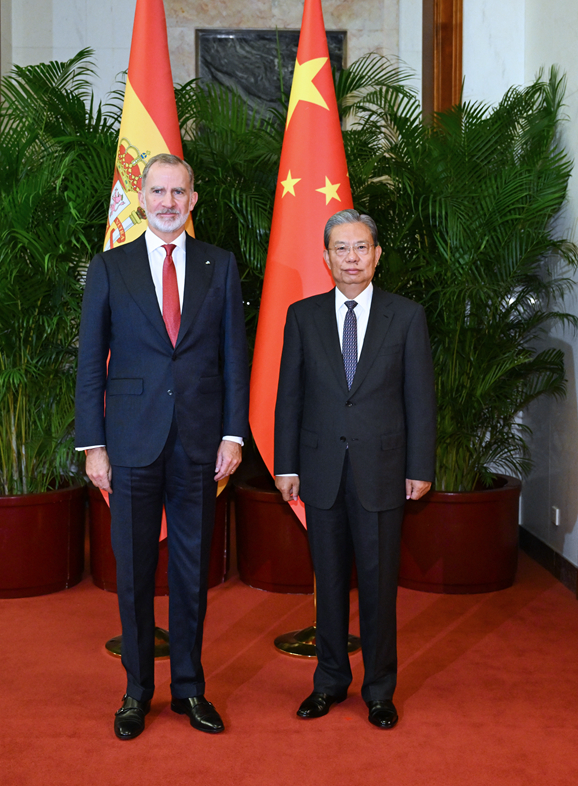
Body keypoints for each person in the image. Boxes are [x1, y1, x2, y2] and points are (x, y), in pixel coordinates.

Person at [75, 153, 249, 740]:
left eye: (178, 192)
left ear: (193, 200)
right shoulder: (110, 266)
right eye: (158, 191)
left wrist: (233, 434)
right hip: (129, 440)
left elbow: (234, 357)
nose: (168, 202)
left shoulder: (220, 265)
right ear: (141, 197)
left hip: (200, 441)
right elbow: (90, 364)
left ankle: (190, 689)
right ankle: (136, 692)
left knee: (193, 571)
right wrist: (93, 445)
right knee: (133, 570)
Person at [274, 208, 436, 729]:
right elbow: (289, 397)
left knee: (379, 586)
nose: (351, 258)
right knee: (328, 584)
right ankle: (328, 682)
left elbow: (420, 399)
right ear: (326, 258)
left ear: (377, 255)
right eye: (341, 248)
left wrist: (420, 466)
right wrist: (285, 464)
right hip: (320, 471)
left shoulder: (405, 316)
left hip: (383, 471)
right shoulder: (302, 316)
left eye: (361, 247)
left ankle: (380, 690)